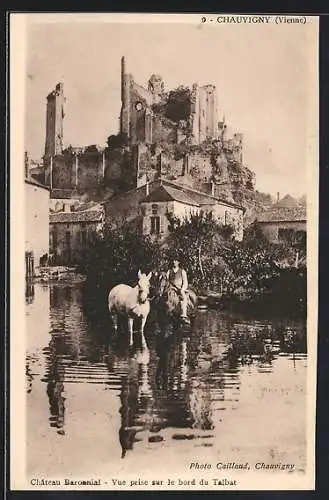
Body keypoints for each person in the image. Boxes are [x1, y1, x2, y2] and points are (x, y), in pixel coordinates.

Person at [167, 258, 190, 324]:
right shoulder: (169, 271)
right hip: (171, 289)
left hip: (179, 289)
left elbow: (185, 282)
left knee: (183, 297)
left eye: (176, 261)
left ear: (178, 262)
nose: (174, 262)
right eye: (173, 260)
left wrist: (182, 289)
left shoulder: (182, 271)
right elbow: (167, 281)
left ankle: (184, 314)